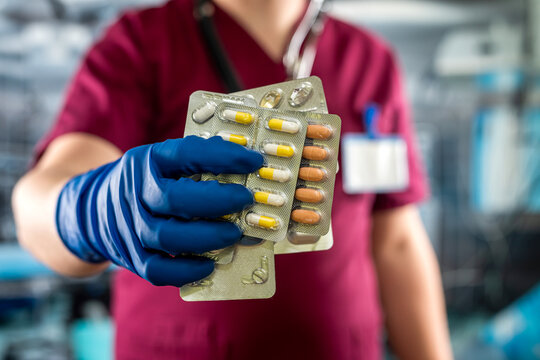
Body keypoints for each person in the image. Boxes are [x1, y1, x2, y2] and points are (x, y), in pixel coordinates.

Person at [12, 0, 453, 359]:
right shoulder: (141, 45)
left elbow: (396, 242)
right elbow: (37, 201)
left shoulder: (370, 62)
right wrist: (87, 209)